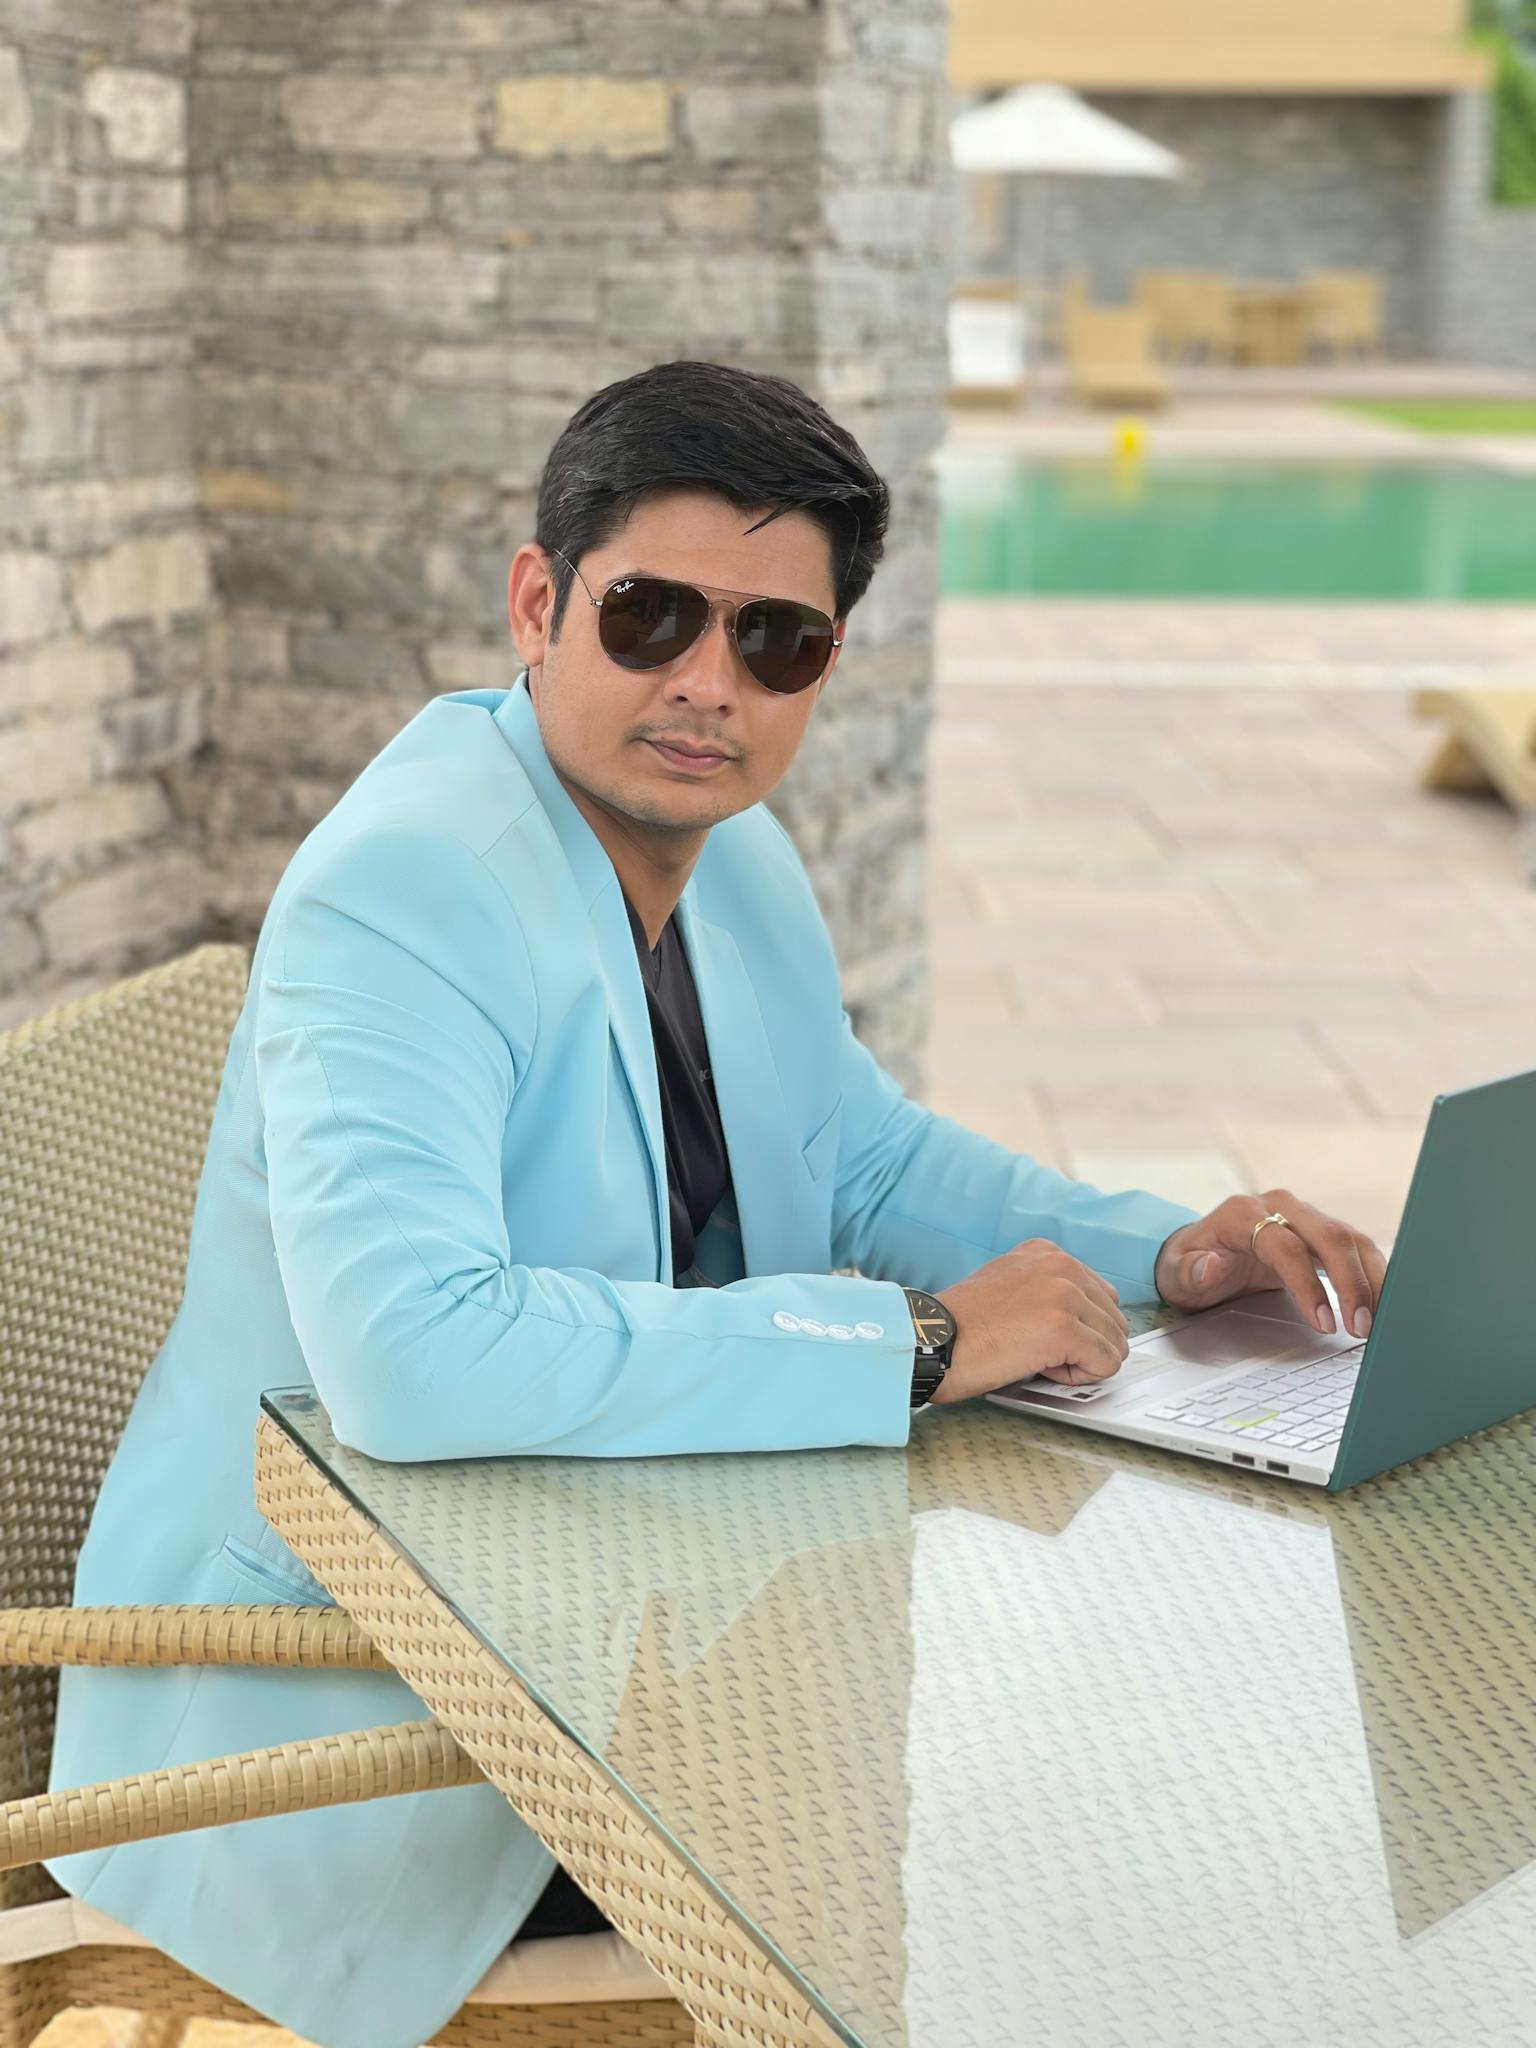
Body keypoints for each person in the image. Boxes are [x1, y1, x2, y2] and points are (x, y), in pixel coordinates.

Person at [45, 359, 1387, 2047]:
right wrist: (914, 1340)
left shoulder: (735, 856)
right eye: (653, 617)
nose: (708, 685)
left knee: (1111, 1796)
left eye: (776, 642)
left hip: (626, 1616)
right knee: (1003, 1881)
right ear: (538, 603)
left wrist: (1175, 1254)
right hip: (357, 1720)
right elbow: (412, 1350)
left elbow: (869, 1160)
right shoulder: (404, 888)